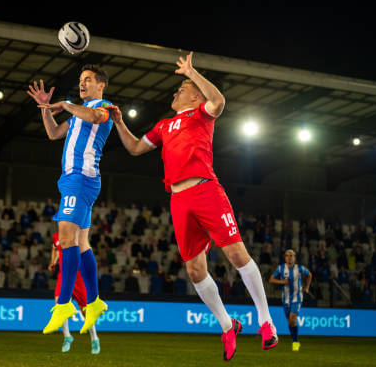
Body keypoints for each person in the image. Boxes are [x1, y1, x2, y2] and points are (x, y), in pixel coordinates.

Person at [107, 53, 277, 361]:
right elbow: (133, 148)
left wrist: (192, 72)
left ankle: (266, 322)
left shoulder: (201, 113)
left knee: (236, 254)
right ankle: (228, 326)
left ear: (194, 94)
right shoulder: (163, 126)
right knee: (194, 269)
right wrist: (119, 122)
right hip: (178, 199)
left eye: (179, 89)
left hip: (206, 191)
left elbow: (220, 101)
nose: (174, 93)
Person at [28, 65, 113, 335]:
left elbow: (97, 116)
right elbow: (53, 133)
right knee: (80, 242)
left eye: (87, 80)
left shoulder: (105, 106)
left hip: (81, 178)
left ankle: (64, 304)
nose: (82, 84)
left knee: (65, 238)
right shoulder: (78, 116)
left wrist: (65, 104)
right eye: (80, 80)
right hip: (73, 180)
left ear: (101, 85)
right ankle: (95, 301)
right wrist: (44, 108)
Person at [49, 231, 100, 354]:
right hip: (64, 275)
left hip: (79, 277)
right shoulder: (56, 235)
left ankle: (94, 338)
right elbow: (55, 248)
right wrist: (53, 262)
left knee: (84, 311)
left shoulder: (79, 233)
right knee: (59, 305)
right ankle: (67, 337)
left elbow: (88, 252)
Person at [269, 249, 312, 351]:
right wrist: (282, 282)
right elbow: (271, 279)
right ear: (285, 258)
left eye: (291, 255)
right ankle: (295, 340)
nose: (289, 257)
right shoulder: (280, 268)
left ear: (295, 258)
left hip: (297, 298)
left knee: (292, 318)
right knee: (290, 322)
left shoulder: (300, 268)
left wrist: (307, 287)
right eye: (287, 255)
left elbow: (309, 274)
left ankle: (295, 342)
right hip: (286, 299)